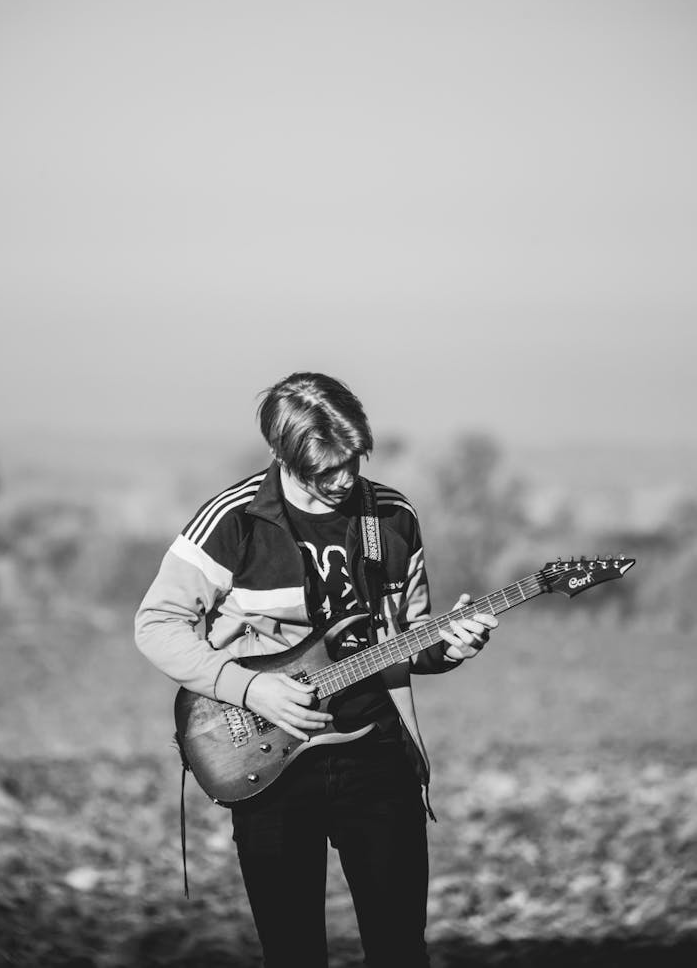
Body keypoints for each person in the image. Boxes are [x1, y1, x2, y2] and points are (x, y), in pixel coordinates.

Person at [134, 371, 497, 968]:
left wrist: (451, 647)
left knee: (402, 950)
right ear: (281, 454)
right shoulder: (234, 520)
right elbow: (156, 625)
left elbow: (406, 642)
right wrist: (250, 688)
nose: (343, 480)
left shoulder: (392, 515)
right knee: (293, 954)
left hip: (378, 755)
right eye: (325, 469)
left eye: (353, 460)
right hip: (271, 765)